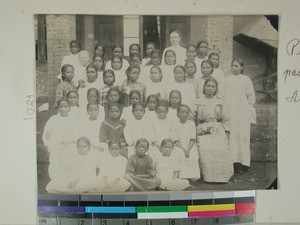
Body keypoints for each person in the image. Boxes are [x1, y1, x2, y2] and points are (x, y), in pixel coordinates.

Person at [193, 77, 233, 182]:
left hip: (218, 129)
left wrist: (226, 132)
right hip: (203, 129)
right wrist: (195, 131)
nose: (210, 88)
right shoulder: (197, 101)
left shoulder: (220, 102)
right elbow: (191, 117)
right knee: (205, 149)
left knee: (222, 149)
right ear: (204, 88)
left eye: (213, 86)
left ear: (216, 89)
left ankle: (221, 177)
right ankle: (208, 177)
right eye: (208, 86)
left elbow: (226, 119)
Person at [224, 58, 256, 174]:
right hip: (230, 111)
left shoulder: (246, 79)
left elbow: (251, 97)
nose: (234, 68)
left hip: (242, 112)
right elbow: (224, 95)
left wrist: (247, 110)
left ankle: (244, 163)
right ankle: (233, 162)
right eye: (232, 65)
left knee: (242, 137)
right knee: (231, 137)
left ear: (242, 67)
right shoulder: (226, 79)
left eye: (236, 66)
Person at [42, 99, 77, 180]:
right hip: (56, 146)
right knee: (55, 162)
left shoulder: (73, 119)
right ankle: (56, 179)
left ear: (69, 108)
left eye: (65, 107)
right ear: (58, 108)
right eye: (61, 107)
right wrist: (47, 144)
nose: (63, 109)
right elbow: (47, 134)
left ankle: (69, 178)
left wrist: (71, 141)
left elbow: (77, 133)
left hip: (69, 145)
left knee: (69, 161)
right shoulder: (53, 119)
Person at [171, 104, 200, 181]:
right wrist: (183, 149)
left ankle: (191, 176)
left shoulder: (191, 124)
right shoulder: (174, 124)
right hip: (179, 146)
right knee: (180, 155)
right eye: (182, 112)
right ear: (178, 113)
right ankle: (182, 176)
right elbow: (175, 139)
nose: (184, 114)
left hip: (190, 146)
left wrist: (188, 149)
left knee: (194, 155)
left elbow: (192, 138)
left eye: (186, 112)